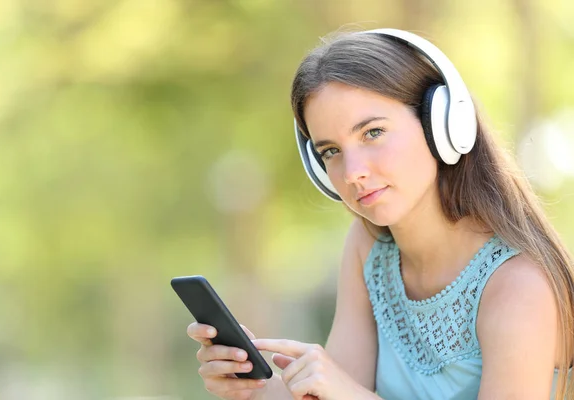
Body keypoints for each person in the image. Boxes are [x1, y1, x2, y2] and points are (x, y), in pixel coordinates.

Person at [187, 28, 574, 400]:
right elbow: (334, 392)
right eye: (330, 152)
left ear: (441, 123)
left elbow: (346, 393)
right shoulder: (370, 249)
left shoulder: (519, 286)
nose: (352, 171)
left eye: (372, 133)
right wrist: (252, 388)